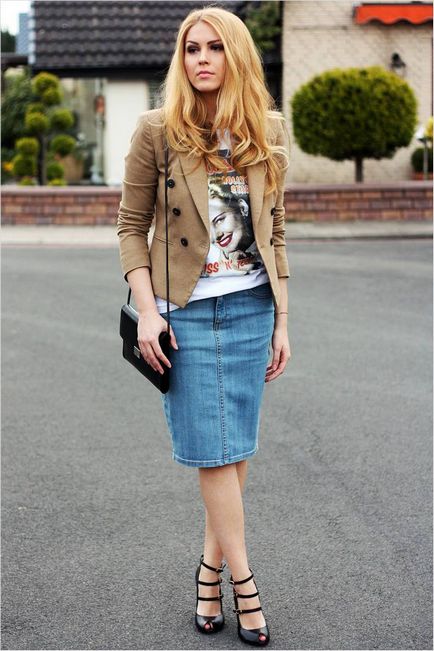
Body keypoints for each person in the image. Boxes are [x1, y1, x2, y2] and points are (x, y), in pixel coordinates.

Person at [116, 6, 291, 647]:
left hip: (251, 307)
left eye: (215, 48)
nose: (201, 59)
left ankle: (208, 572)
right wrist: (148, 311)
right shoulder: (158, 130)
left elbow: (275, 230)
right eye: (192, 49)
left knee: (233, 449)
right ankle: (245, 584)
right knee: (212, 450)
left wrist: (283, 319)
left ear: (235, 56)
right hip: (183, 312)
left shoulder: (267, 129)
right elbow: (131, 226)